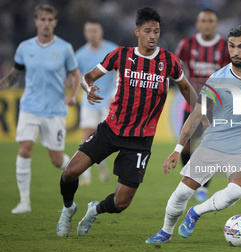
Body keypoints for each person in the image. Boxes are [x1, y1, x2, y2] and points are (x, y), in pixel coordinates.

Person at [56, 6, 200, 237]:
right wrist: (87, 88)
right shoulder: (120, 55)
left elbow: (185, 89)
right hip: (111, 129)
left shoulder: (168, 61)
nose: (153, 35)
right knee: (70, 172)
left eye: (156, 31)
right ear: (137, 32)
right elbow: (88, 77)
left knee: (121, 203)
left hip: (140, 141)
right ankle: (68, 209)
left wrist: (203, 108)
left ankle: (94, 210)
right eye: (148, 30)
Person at [145, 25, 241, 243]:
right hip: (215, 142)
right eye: (231, 46)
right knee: (182, 193)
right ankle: (165, 232)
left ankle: (196, 213)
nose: (235, 52)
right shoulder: (218, 78)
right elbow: (196, 115)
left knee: (237, 191)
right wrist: (177, 149)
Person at [0, 4, 80, 214]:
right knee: (25, 148)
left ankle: (77, 167)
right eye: (42, 19)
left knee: (56, 159)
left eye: (49, 20)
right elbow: (15, 75)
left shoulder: (64, 48)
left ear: (55, 22)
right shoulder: (25, 48)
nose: (46, 23)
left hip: (54, 110)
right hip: (29, 107)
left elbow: (75, 73)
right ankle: (24, 202)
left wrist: (72, 94)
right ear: (36, 21)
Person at [175, 9, 230, 202]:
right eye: (203, 21)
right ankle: (189, 181)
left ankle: (203, 188)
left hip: (216, 106)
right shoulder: (186, 45)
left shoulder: (225, 47)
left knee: (209, 147)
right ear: (198, 24)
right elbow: (176, 69)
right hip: (192, 105)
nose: (207, 24)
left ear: (216, 24)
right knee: (187, 146)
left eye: (211, 21)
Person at [76, 19, 119, 186]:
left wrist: (115, 94)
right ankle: (85, 174)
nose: (92, 34)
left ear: (101, 32)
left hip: (109, 101)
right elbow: (78, 78)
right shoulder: (80, 54)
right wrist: (85, 91)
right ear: (85, 33)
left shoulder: (112, 50)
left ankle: (101, 165)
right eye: (89, 31)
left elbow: (119, 74)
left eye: (95, 31)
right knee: (87, 135)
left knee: (103, 138)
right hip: (89, 101)